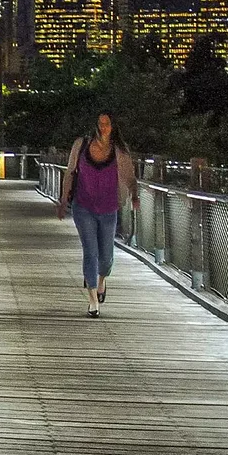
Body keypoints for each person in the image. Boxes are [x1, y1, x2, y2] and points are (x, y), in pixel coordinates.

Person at [56, 111, 139, 317]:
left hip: (109, 207)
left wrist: (135, 195)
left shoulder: (119, 150)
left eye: (107, 124)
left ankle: (101, 280)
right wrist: (64, 199)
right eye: (100, 123)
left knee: (106, 257)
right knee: (90, 251)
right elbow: (70, 171)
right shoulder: (81, 145)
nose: (103, 127)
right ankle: (93, 300)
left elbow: (129, 176)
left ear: (113, 126)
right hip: (83, 206)